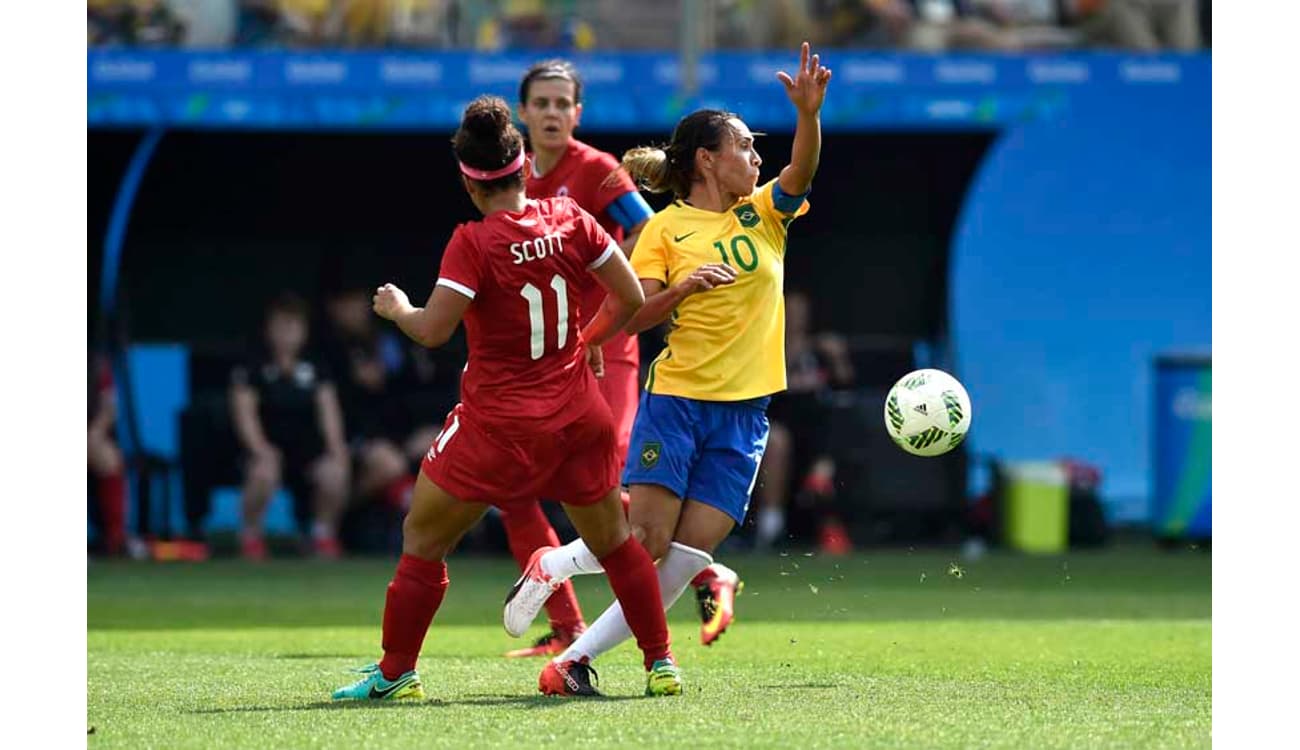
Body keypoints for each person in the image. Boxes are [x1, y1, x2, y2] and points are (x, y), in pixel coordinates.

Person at [504, 41, 831, 697]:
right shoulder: (664, 231)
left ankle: (573, 658)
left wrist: (809, 114)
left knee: (683, 561)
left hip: (746, 414)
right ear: (708, 159)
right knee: (647, 539)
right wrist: (681, 291)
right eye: (745, 147)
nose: (756, 158)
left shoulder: (765, 214)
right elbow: (635, 315)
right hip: (677, 401)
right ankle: (559, 565)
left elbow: (801, 167)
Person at [331, 95, 682, 701]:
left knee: (422, 538)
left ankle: (395, 674)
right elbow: (629, 298)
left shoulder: (472, 242)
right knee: (616, 544)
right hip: (577, 416)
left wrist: (397, 310)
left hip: (497, 428)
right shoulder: (573, 220)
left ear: (470, 186)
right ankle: (661, 665)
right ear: (523, 167)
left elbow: (433, 330)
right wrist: (590, 341)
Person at [501, 58, 741, 658]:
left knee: (598, 484)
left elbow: (646, 228)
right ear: (523, 112)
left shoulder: (598, 170)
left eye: (564, 104)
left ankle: (700, 568)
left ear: (578, 113)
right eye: (543, 103)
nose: (554, 113)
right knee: (516, 486)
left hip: (607, 349)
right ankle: (569, 625)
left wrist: (592, 265)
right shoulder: (516, 179)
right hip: (545, 357)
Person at [229, 293, 351, 560]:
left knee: (335, 473)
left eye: (293, 326)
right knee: (264, 472)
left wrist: (336, 448)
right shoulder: (252, 365)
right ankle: (250, 535)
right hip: (267, 448)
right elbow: (244, 413)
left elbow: (329, 412)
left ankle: (321, 534)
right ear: (269, 328)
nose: (287, 334)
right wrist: (260, 449)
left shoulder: (316, 368)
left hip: (307, 451)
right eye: (281, 326)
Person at [754, 290, 857, 553]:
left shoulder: (819, 349)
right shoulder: (766, 347)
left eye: (802, 313)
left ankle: (831, 526)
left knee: (836, 434)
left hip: (819, 431)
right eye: (791, 312)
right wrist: (793, 348)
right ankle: (770, 529)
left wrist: (838, 357)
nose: (797, 319)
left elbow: (846, 385)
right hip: (779, 424)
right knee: (778, 441)